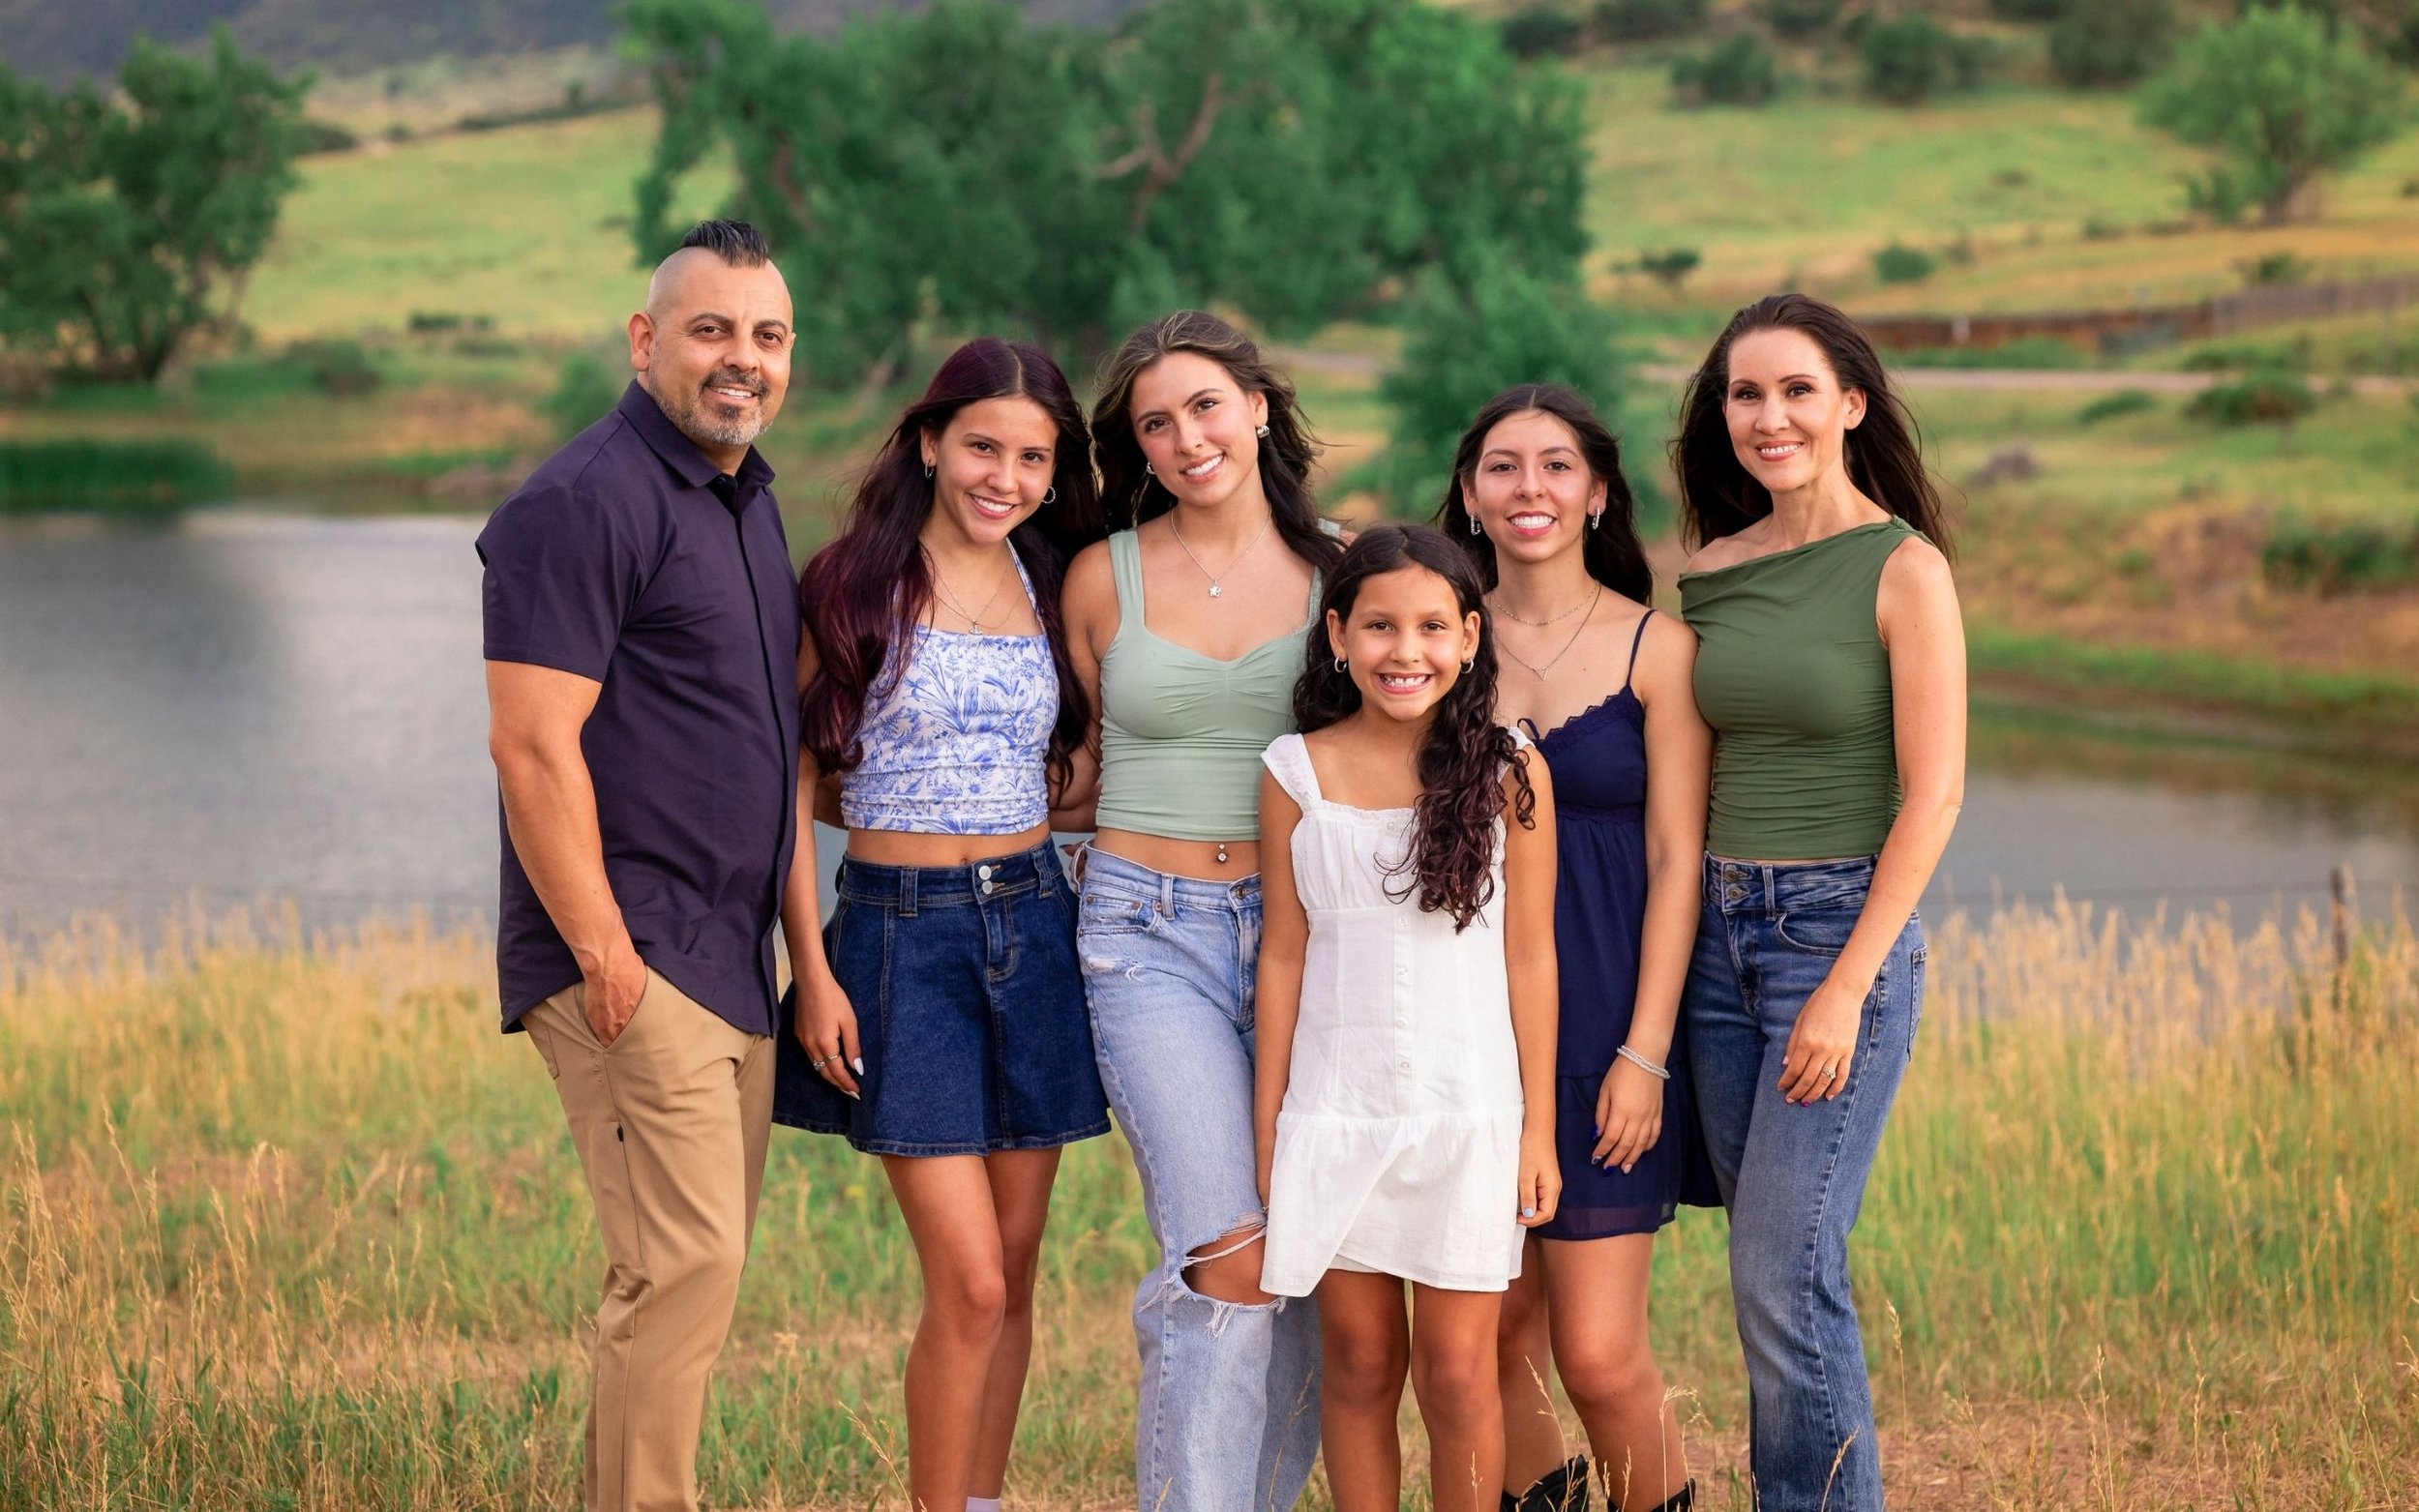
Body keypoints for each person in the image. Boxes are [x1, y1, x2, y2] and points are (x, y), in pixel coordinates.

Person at [476, 219, 799, 1512]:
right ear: (645, 336)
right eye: (712, 328)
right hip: (637, 952)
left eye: (767, 335)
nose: (742, 358)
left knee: (695, 1280)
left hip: (733, 959)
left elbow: (761, 738)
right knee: (679, 1267)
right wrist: (607, 953)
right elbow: (531, 747)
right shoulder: (581, 501)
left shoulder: (742, 497)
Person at [773, 337, 1109, 1512]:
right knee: (965, 1282)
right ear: (928, 442)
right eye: (981, 446)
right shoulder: (846, 584)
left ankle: (983, 1498)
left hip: (1033, 927)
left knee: (1014, 1274)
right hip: (895, 939)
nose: (1003, 476)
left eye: (1030, 457)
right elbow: (791, 788)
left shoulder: (1056, 577)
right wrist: (809, 968)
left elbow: (1081, 761)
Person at [1671, 294, 1965, 1512]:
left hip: (1829, 940)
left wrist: (1845, 984)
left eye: (1796, 391)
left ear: (1850, 404)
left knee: (1785, 1271)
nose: (1768, 416)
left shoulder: (1903, 569)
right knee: (1764, 1269)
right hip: (1713, 942)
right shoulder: (1707, 571)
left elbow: (1935, 795)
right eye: (1746, 393)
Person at [1061, 310, 1342, 1511]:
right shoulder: (1100, 575)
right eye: (1155, 424)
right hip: (1144, 932)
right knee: (1226, 1254)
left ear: (1260, 407)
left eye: (1205, 407)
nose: (1186, 439)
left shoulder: (1344, 570)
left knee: (1307, 1258)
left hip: (1314, 938)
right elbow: (1067, 771)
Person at [1437, 387, 1716, 1512]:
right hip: (1465, 1023)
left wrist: (1645, 1053)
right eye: (1502, 468)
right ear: (1468, 493)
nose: (1529, 490)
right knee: (1489, 1339)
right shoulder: (1434, 640)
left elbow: (1678, 862)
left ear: (1598, 493)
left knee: (1597, 1355)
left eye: (1556, 467)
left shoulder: (1660, 648)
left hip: (1608, 1025)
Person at [1253, 522, 1562, 1512]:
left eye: (1433, 627)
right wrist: (1271, 1128)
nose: (1406, 651)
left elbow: (1530, 956)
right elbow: (1283, 954)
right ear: (1338, 635)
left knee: (1460, 1374)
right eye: (1380, 626)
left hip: (1469, 1113)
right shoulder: (1293, 772)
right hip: (1339, 1113)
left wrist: (1538, 1130)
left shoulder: (1512, 771)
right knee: (1355, 1362)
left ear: (1470, 638)